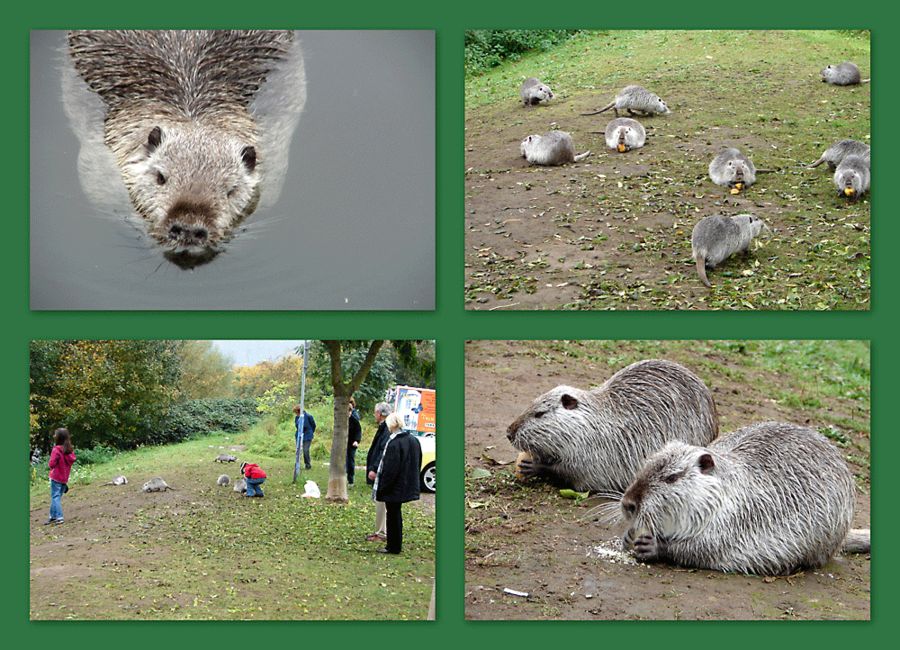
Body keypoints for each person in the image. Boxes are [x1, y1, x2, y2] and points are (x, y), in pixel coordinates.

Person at [373, 412, 422, 554]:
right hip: (406, 483)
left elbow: (390, 467)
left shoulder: (394, 443)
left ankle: (393, 546)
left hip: (395, 485)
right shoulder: (413, 440)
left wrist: (383, 486)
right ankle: (395, 544)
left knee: (392, 515)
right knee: (396, 514)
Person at [365, 402, 392, 542]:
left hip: (381, 470)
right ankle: (379, 531)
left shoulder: (387, 428)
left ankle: (381, 532)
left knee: (382, 501)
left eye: (375, 412)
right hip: (379, 468)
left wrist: (374, 468)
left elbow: (383, 451)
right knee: (379, 501)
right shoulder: (384, 427)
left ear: (380, 414)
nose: (374, 415)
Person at [46, 428, 76, 525]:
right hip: (64, 478)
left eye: (55, 434)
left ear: (58, 437)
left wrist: (49, 464)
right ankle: (52, 516)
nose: (54, 436)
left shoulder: (56, 450)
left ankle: (59, 517)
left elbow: (52, 464)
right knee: (56, 497)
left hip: (56, 477)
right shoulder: (69, 449)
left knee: (55, 497)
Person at [293, 404, 316, 470]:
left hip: (307, 435)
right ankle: (297, 464)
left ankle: (307, 464)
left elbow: (313, 425)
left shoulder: (309, 416)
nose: (296, 414)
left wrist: (310, 432)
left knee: (305, 450)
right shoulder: (297, 418)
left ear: (299, 411)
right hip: (299, 435)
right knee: (298, 450)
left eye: (296, 412)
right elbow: (297, 426)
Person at [347, 401, 362, 485]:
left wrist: (356, 441)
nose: (348, 414)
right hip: (343, 443)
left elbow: (358, 431)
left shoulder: (354, 420)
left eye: (349, 412)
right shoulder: (341, 420)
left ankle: (351, 480)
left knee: (350, 461)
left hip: (352, 443)